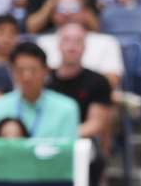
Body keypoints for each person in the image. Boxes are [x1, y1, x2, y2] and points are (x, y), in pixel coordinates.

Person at [0, 41, 78, 139]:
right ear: (12, 72)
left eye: (33, 70)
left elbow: (68, 152)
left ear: (46, 71)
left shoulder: (66, 109)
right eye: (20, 70)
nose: (27, 77)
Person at [46, 23, 113, 153]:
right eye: (67, 40)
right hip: (43, 141)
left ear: (85, 46)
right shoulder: (44, 80)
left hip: (81, 144)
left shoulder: (98, 81)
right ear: (58, 45)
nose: (72, 46)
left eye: (78, 41)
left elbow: (96, 124)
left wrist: (60, 137)